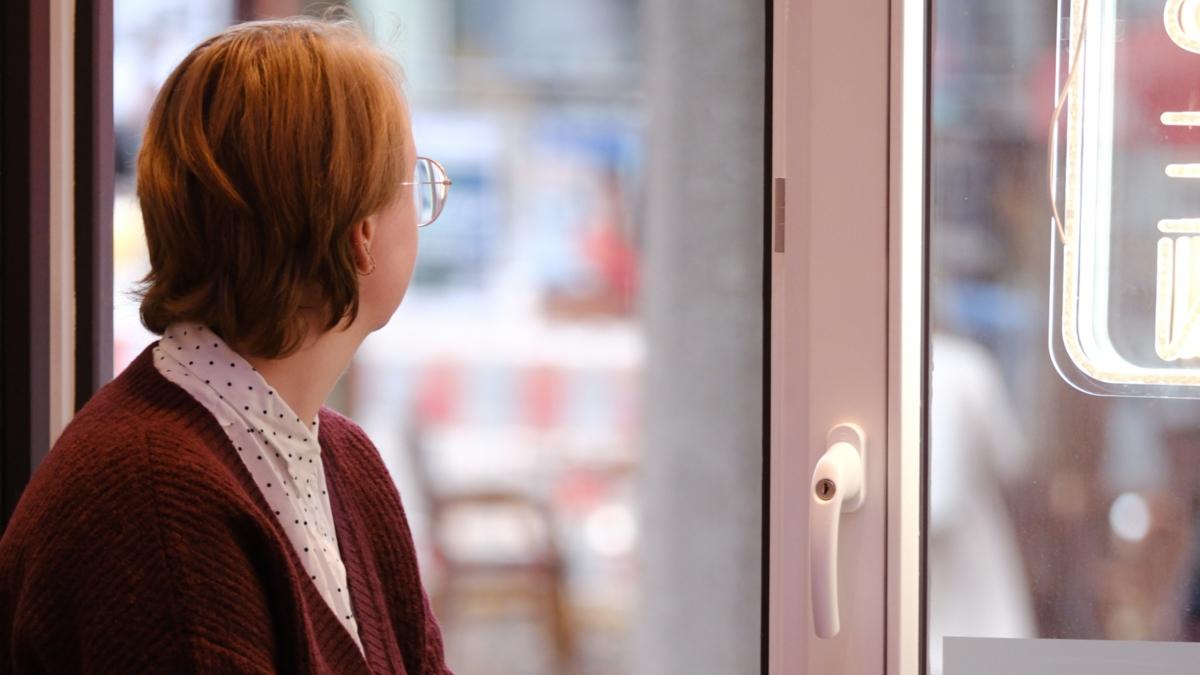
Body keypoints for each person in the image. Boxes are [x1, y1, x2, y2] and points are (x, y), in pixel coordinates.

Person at [0, 17, 453, 674]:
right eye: (413, 182)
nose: (423, 209)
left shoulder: (347, 464)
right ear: (360, 235)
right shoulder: (155, 510)